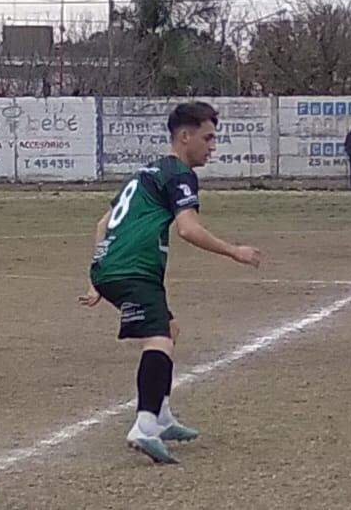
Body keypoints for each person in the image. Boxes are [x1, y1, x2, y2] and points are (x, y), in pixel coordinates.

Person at [79, 103, 262, 464]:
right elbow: (188, 228)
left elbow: (104, 224)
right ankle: (145, 425)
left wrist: (98, 275)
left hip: (114, 267)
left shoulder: (146, 172)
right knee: (159, 338)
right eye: (208, 138)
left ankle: (161, 416)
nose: (213, 146)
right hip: (133, 269)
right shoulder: (178, 173)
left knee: (169, 328)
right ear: (184, 136)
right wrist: (234, 251)